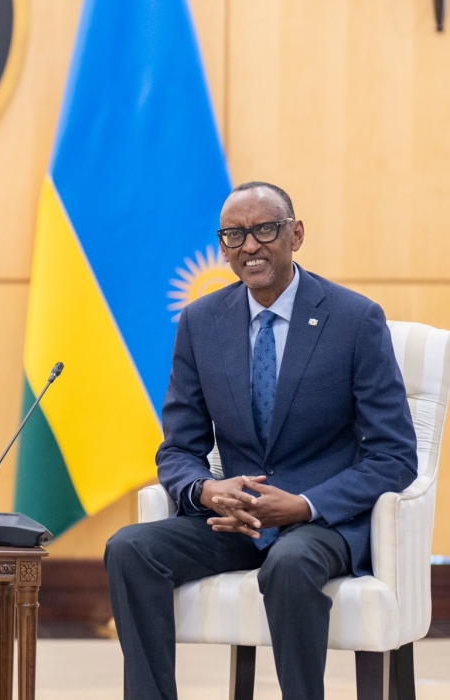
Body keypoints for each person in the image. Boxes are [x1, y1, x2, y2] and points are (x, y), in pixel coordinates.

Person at [104, 181, 418, 700]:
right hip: (235, 517)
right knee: (131, 549)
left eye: (264, 230)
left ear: (295, 234)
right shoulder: (201, 323)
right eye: (234, 235)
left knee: (291, 564)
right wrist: (206, 491)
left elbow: (394, 455)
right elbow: (179, 448)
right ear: (224, 248)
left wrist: (303, 505)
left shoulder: (355, 319)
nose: (249, 246)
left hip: (319, 519)